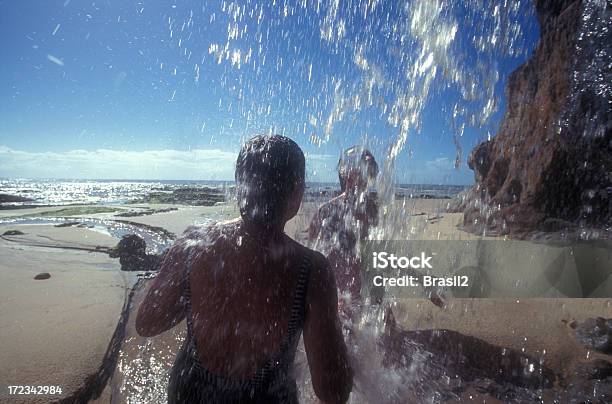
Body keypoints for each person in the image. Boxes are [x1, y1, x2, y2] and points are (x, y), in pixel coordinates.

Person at [135, 135, 352, 403]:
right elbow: (334, 391)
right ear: (297, 191)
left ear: (240, 185)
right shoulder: (312, 270)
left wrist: (196, 294)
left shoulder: (193, 244)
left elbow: (146, 324)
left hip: (189, 393)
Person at [308, 147, 380, 320]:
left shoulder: (372, 210)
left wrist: (421, 280)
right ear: (347, 175)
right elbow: (312, 265)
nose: (366, 178)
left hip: (368, 295)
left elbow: (382, 257)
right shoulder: (325, 213)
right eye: (362, 170)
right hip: (339, 298)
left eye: (369, 172)